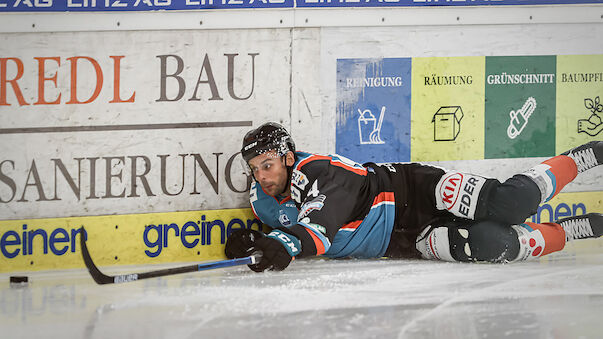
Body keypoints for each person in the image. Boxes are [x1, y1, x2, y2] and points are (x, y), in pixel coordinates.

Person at [225, 122, 603, 272]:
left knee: (511, 204)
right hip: (399, 240)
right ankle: (565, 232)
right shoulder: (262, 198)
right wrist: (254, 239)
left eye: (268, 165)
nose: (261, 176)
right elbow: (279, 227)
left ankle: (575, 159)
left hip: (411, 193)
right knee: (494, 243)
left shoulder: (321, 172)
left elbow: (320, 228)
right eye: (255, 168)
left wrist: (285, 244)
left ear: (289, 158)